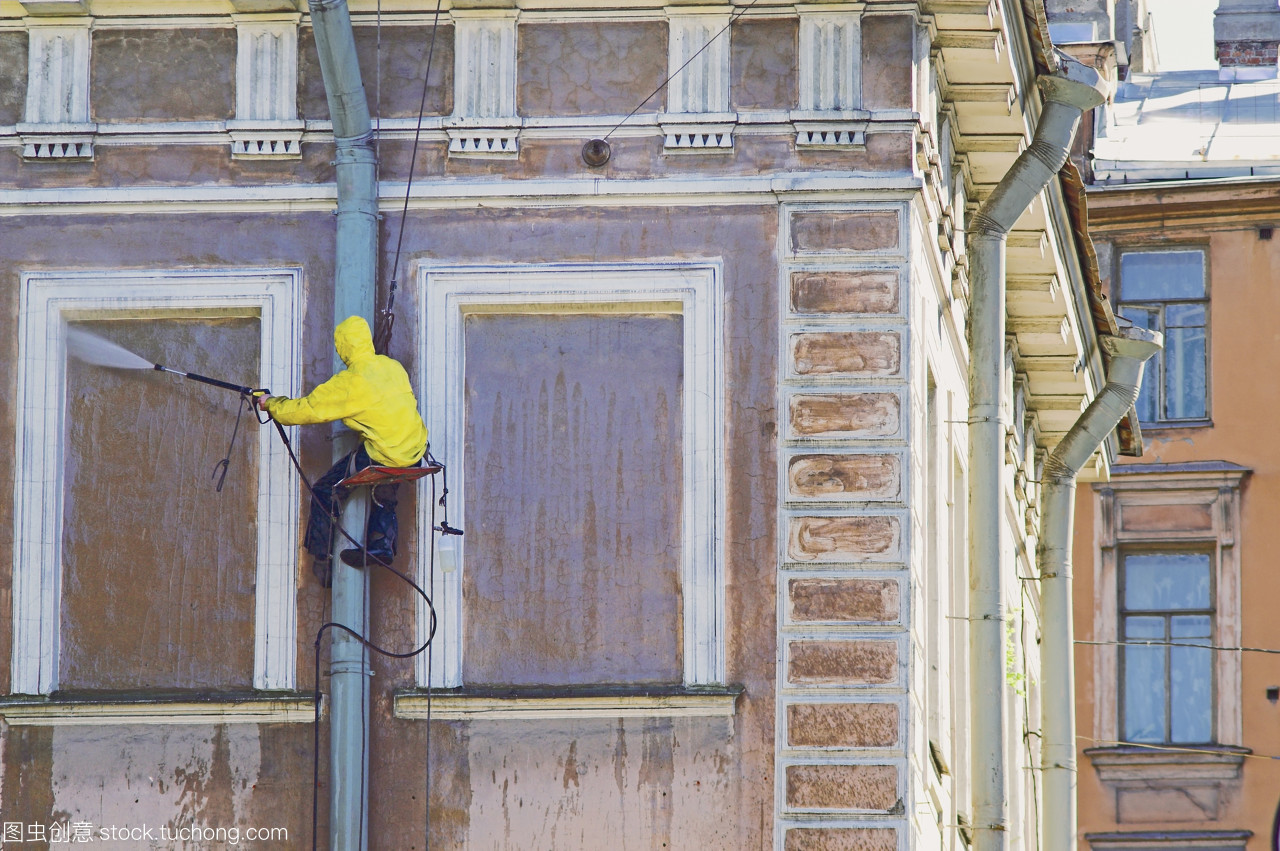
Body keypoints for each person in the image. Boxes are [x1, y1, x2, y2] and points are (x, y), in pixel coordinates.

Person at [257, 315, 428, 587]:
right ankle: (383, 544)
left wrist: (272, 404)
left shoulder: (350, 382)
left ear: (343, 347)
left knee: (326, 490)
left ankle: (322, 560)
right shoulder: (392, 367)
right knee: (387, 480)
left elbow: (307, 409)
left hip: (386, 453)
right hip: (415, 450)